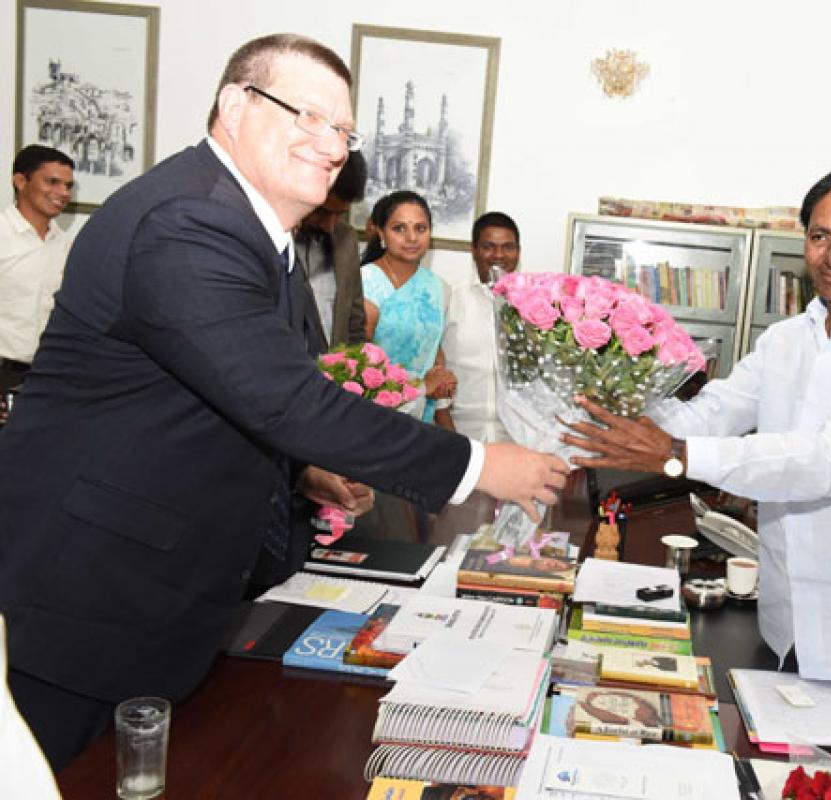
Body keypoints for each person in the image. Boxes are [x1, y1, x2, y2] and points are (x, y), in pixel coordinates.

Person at [0, 33, 567, 770]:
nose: (329, 143)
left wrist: (303, 473)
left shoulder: (259, 232)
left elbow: (220, 389)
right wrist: (480, 465)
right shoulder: (189, 219)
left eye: (342, 129)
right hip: (91, 593)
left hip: (171, 589)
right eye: (306, 115)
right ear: (235, 106)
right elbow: (289, 400)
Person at [563, 166, 831, 797]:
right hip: (797, 627)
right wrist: (617, 399)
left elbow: (830, 459)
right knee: (793, 786)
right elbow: (709, 413)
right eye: (820, 236)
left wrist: (672, 453)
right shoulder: (787, 339)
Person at [361, 190, 456, 425]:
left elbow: (432, 347)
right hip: (373, 417)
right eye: (399, 228)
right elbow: (358, 365)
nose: (411, 237)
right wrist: (422, 387)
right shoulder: (364, 282)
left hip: (422, 418)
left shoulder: (437, 287)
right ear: (381, 233)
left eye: (420, 228)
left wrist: (441, 376)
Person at [437, 211, 521, 439]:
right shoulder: (450, 298)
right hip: (460, 435)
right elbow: (435, 368)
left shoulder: (535, 307)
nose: (498, 255)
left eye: (508, 247)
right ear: (473, 251)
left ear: (518, 252)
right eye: (488, 246)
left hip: (517, 440)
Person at [0, 145, 75, 394]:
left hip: (48, 377)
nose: (62, 193)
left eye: (67, 185)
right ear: (21, 181)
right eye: (52, 182)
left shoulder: (64, 244)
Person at [295, 149, 368, 349]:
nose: (329, 225)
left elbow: (354, 324)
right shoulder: (273, 240)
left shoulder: (347, 240)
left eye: (340, 215)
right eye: (322, 212)